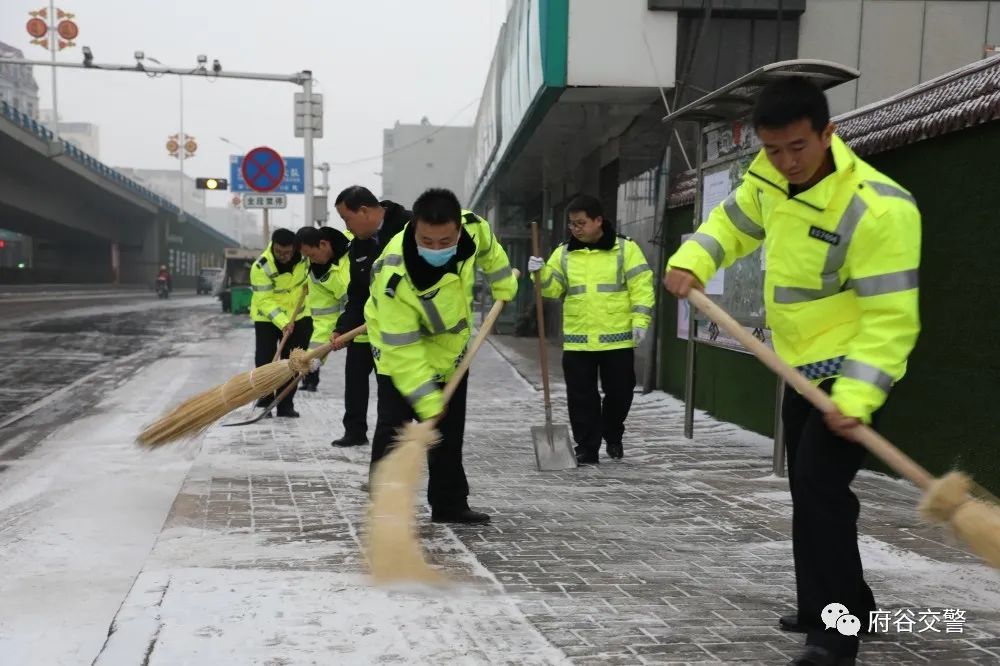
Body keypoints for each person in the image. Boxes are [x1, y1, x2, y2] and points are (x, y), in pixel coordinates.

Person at [664, 77, 921, 666]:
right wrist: (693, 259)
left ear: (828, 133)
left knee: (819, 488)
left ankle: (834, 638)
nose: (786, 163)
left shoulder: (878, 208)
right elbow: (729, 224)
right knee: (810, 492)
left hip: (855, 366)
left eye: (797, 148)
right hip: (799, 364)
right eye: (773, 150)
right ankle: (841, 603)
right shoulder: (769, 179)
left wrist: (855, 395)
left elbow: (891, 318)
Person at [365, 188, 517, 523]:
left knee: (449, 433)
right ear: (415, 228)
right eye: (427, 241)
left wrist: (504, 285)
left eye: (445, 241)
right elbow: (403, 350)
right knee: (395, 430)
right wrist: (428, 400)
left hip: (451, 354)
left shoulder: (474, 229)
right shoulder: (394, 275)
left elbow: (492, 253)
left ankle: (449, 504)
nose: (436, 248)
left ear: (459, 230)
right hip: (398, 353)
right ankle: (386, 507)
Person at [528, 194, 654, 464]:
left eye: (581, 223)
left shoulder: (625, 249)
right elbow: (551, 290)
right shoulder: (563, 253)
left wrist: (640, 322)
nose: (575, 229)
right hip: (578, 339)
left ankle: (612, 432)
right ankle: (587, 446)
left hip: (617, 338)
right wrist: (538, 274)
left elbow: (642, 287)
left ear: (598, 220)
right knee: (581, 397)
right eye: (572, 224)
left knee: (620, 392)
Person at [328, 186, 411, 448]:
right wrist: (343, 328)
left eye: (346, 219)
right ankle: (355, 432)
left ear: (364, 211)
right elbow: (357, 292)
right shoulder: (359, 246)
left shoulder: (410, 228)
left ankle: (399, 442)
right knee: (356, 383)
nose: (347, 227)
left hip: (403, 334)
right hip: (367, 329)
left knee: (395, 395)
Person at [249, 228, 313, 418]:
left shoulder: (304, 259)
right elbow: (264, 300)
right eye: (279, 252)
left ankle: (285, 404)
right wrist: (283, 322)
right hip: (267, 318)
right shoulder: (261, 266)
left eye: (287, 252)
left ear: (294, 248)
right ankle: (265, 401)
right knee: (265, 360)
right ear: (273, 246)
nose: (283, 256)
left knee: (294, 362)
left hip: (299, 317)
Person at [296, 226, 351, 392]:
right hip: (359, 335)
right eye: (307, 258)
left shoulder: (356, 244)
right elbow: (324, 318)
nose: (311, 261)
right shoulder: (316, 276)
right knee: (355, 389)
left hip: (385, 326)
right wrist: (313, 357)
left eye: (312, 255)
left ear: (323, 244)